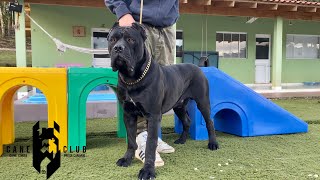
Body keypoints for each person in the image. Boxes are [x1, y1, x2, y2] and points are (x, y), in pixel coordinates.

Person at [105, 0, 179, 167]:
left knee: (159, 89)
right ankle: (140, 140)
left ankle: (153, 138)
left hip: (167, 26)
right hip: (137, 21)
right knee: (134, 84)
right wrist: (122, 11)